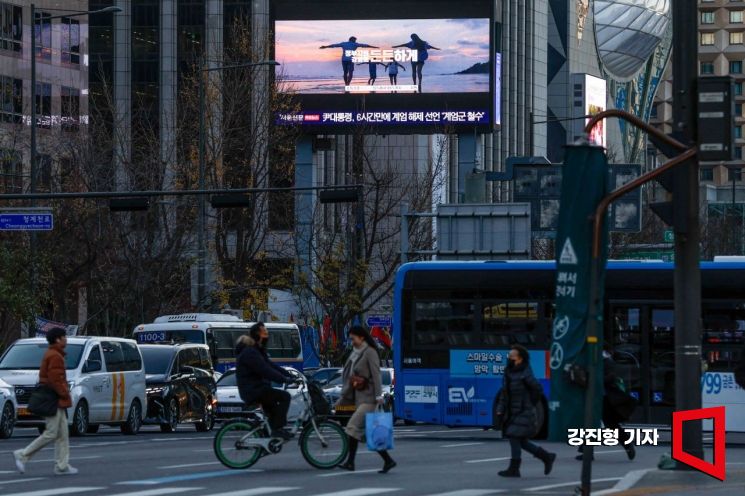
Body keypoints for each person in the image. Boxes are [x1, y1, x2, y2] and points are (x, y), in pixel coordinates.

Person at [13, 327, 77, 475]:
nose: (66, 339)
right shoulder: (55, 356)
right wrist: (65, 394)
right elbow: (56, 379)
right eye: (64, 337)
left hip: (55, 399)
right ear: (57, 339)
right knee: (52, 433)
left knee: (63, 433)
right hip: (53, 399)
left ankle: (62, 466)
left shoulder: (54, 354)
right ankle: (23, 455)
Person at [336, 326, 396, 474]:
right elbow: (350, 377)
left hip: (370, 399)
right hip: (359, 397)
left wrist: (378, 395)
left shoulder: (370, 352)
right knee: (369, 433)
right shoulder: (356, 353)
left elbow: (376, 375)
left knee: (352, 427)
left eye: (353, 338)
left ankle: (350, 463)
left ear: (361, 337)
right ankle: (388, 461)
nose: (351, 342)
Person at [496, 344, 556, 478]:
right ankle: (546, 456)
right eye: (509, 355)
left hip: (523, 412)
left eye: (512, 356)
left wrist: (529, 404)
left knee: (513, 436)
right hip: (512, 412)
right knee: (520, 440)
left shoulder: (525, 372)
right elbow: (504, 394)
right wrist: (500, 410)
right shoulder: (508, 372)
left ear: (520, 359)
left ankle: (514, 468)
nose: (509, 358)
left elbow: (537, 389)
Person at [235, 322, 295, 440]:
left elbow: (270, 365)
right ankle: (277, 430)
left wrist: (289, 375)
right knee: (285, 397)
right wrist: (284, 379)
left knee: (273, 410)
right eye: (264, 332)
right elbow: (265, 370)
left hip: (257, 388)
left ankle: (268, 435)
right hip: (253, 390)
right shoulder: (250, 352)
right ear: (257, 334)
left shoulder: (257, 350)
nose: (267, 334)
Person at [577, 345, 637, 461]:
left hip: (604, 398)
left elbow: (611, 377)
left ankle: (628, 445)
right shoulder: (597, 360)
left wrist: (596, 380)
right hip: (597, 396)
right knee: (593, 422)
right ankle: (586, 450)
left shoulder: (605, 361)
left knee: (608, 424)